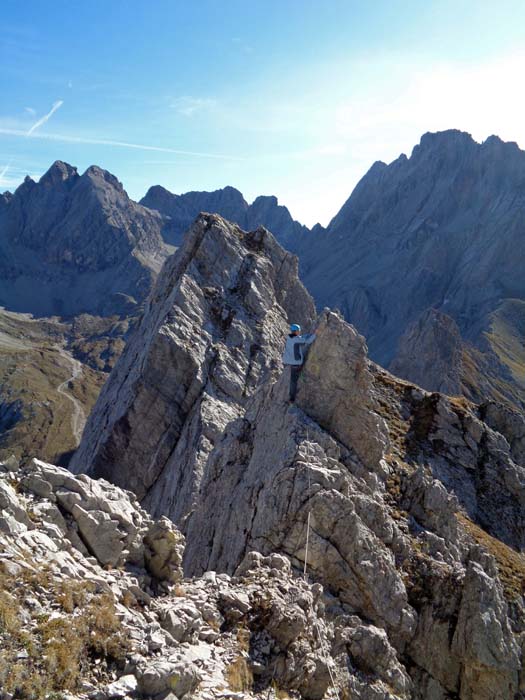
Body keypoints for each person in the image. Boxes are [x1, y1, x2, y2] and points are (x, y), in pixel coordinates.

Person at [282, 323, 317, 402]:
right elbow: (307, 342)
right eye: (299, 331)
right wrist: (315, 334)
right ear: (296, 331)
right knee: (294, 381)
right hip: (297, 364)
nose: (300, 332)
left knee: (293, 379)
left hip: (291, 362)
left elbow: (300, 338)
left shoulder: (289, 337)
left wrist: (308, 334)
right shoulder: (297, 340)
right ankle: (292, 398)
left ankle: (292, 396)